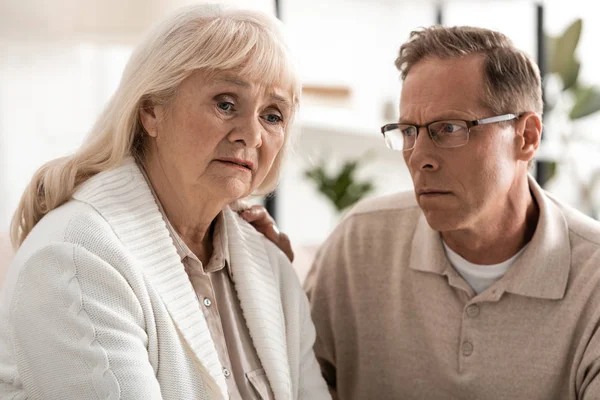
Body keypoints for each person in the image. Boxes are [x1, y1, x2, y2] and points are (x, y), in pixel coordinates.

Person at [244, 26, 600, 399]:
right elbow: (292, 384)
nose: (420, 158)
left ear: (526, 137)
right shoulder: (360, 243)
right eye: (409, 131)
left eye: (448, 128)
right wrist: (272, 294)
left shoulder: (592, 281)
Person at [0, 5, 330, 400]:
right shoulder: (74, 258)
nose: (252, 136)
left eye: (273, 116)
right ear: (151, 110)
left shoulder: (273, 267)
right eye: (226, 104)